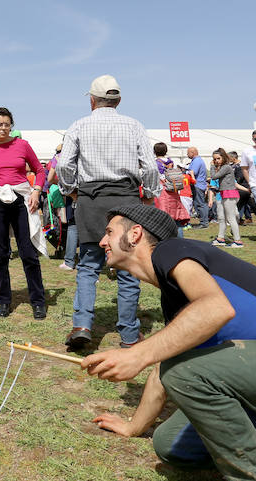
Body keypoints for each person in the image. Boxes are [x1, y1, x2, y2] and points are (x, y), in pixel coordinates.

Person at [84, 203, 256, 481]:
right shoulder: (176, 297)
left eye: (109, 232)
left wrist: (136, 355)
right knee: (172, 444)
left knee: (186, 373)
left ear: (135, 233)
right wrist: (133, 426)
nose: (102, 241)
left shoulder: (171, 251)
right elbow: (165, 365)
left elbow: (216, 309)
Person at [56, 75, 160, 349]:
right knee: (127, 267)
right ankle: (128, 333)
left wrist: (71, 190)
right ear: (118, 100)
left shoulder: (79, 125)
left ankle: (81, 325)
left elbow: (64, 164)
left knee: (89, 265)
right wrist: (148, 195)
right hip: (126, 197)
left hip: (90, 197)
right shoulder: (133, 125)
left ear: (92, 100)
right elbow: (149, 167)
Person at [0, 107, 47, 320]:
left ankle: (38, 301)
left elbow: (39, 171)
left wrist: (36, 191)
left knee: (28, 253)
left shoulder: (22, 145)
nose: (4, 128)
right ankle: (4, 300)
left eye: (7, 124)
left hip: (22, 199)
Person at [152, 142, 189, 235]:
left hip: (162, 192)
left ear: (154, 151)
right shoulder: (171, 162)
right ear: (166, 151)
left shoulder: (155, 163)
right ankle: (179, 240)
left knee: (162, 217)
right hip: (173, 190)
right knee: (176, 217)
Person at [208, 147, 242, 248]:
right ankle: (220, 238)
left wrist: (212, 167)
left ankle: (237, 241)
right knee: (222, 218)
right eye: (214, 159)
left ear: (223, 158)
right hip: (224, 193)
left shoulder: (226, 167)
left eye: (218, 158)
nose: (216, 161)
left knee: (231, 218)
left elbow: (214, 176)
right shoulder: (224, 167)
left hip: (229, 194)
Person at [185, 147, 209, 228]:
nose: (187, 154)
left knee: (200, 204)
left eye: (188, 153)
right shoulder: (197, 160)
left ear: (193, 153)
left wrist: (185, 171)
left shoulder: (197, 161)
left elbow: (193, 172)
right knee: (199, 204)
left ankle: (204, 223)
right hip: (199, 185)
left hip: (198, 185)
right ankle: (203, 221)